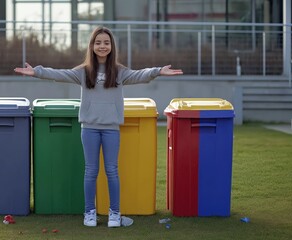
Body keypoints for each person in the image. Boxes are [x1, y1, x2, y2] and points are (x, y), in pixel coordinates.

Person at [14, 26, 183, 227]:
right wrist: (36, 72)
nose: (102, 46)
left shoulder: (119, 72)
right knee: (91, 171)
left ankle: (114, 213)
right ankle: (90, 213)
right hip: (89, 128)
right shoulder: (83, 72)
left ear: (111, 46)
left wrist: (158, 71)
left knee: (112, 170)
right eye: (98, 42)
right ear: (92, 46)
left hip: (111, 129)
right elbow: (59, 74)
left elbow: (140, 75)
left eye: (106, 42)